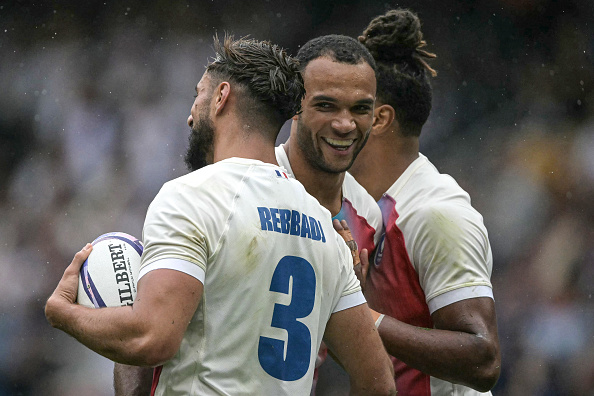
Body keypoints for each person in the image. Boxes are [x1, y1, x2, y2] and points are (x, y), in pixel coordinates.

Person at [45, 35, 396, 396]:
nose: (189, 115)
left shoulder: (192, 196)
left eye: (197, 94)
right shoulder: (324, 228)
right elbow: (379, 382)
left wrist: (63, 313)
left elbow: (151, 339)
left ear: (221, 96)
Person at [349, 9, 502, 395]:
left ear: (380, 119)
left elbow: (483, 359)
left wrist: (358, 319)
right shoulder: (359, 205)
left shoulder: (436, 214)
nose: (335, 121)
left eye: (348, 107)